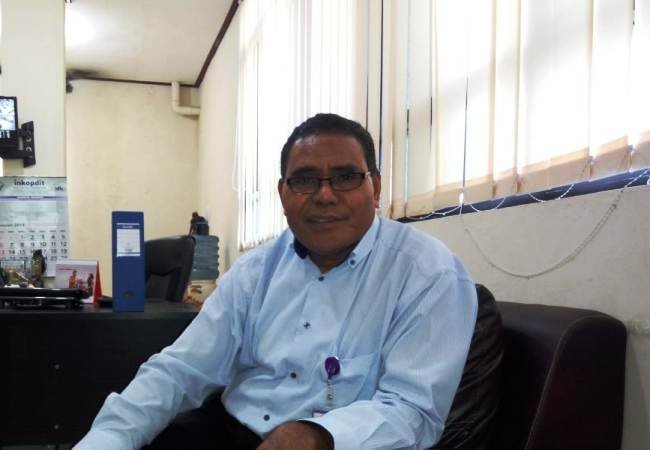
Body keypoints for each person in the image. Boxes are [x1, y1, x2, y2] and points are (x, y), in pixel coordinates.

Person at [73, 113, 477, 450]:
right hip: (225, 429)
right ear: (283, 193)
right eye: (304, 180)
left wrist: (318, 435)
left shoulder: (430, 274)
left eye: (346, 177)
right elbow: (181, 369)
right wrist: (109, 437)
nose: (325, 195)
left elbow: (412, 411)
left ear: (376, 187)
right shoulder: (255, 270)